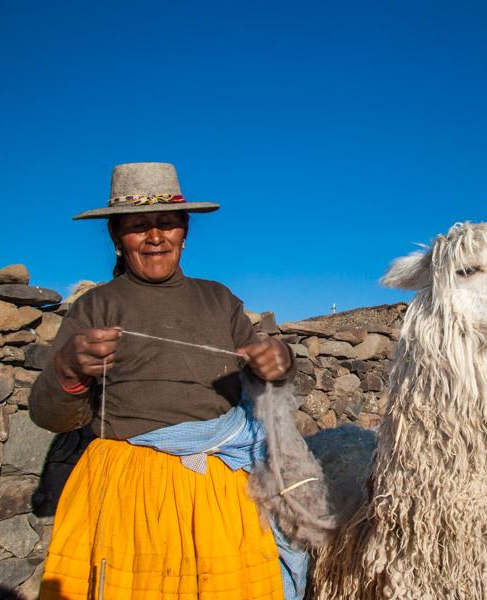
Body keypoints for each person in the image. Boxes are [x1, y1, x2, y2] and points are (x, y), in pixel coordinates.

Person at [29, 162, 295, 600]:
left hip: (220, 487)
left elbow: (267, 373)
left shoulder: (219, 299)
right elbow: (50, 416)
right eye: (138, 227)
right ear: (117, 237)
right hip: (129, 490)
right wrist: (68, 370)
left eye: (166, 223)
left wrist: (278, 362)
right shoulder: (96, 307)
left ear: (184, 230)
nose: (155, 237)